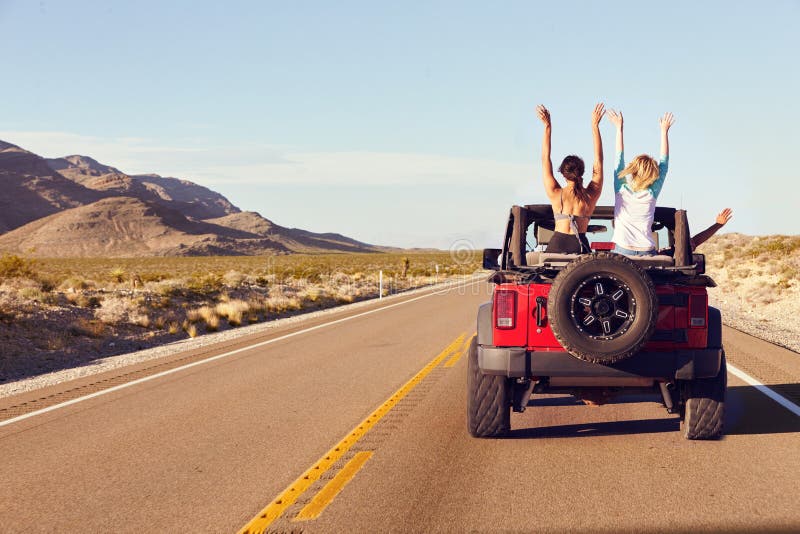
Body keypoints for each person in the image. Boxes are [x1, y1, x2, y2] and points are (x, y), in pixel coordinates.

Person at [536, 103, 606, 253]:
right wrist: (595, 126)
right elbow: (599, 160)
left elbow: (545, 158)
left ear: (562, 173)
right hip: (580, 245)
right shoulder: (591, 195)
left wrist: (547, 127)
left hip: (557, 244)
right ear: (582, 172)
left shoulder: (555, 193)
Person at [607, 109, 674, 256]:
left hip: (622, 249)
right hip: (647, 250)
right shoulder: (652, 192)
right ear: (652, 174)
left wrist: (619, 129)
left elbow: (618, 159)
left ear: (633, 169)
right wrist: (664, 132)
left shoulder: (621, 189)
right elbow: (664, 164)